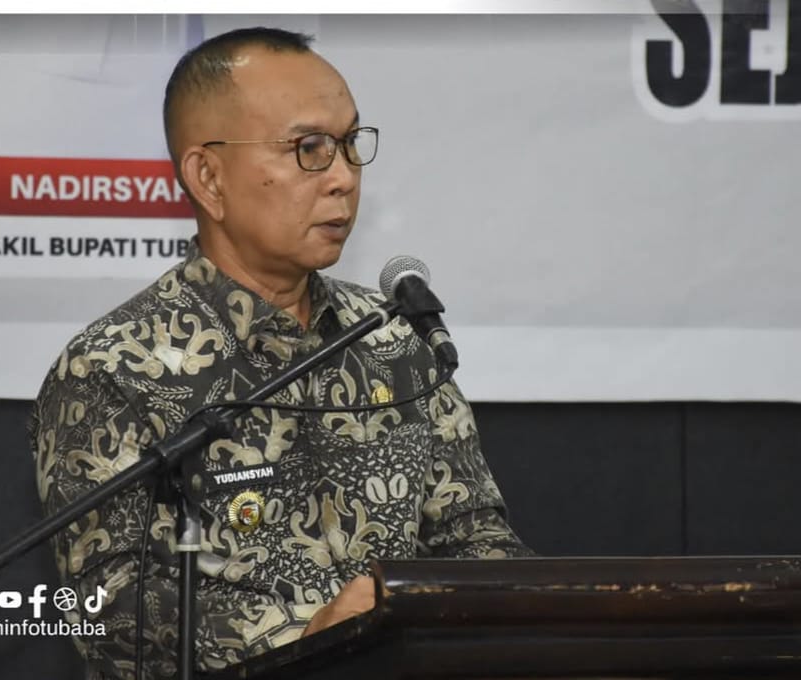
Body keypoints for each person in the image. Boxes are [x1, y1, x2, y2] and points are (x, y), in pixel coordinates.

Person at [30, 27, 531, 680]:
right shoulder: (113, 370)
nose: (344, 178)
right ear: (209, 178)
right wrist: (308, 636)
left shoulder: (393, 342)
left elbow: (478, 538)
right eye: (309, 149)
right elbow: (112, 609)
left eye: (350, 144)